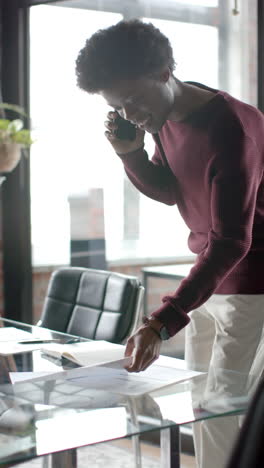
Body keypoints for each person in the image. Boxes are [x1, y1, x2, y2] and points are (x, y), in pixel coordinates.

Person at [76, 20, 264, 467]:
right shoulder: (161, 118)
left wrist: (162, 320)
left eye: (134, 100)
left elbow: (232, 240)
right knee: (203, 402)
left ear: (164, 72)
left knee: (225, 403)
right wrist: (130, 153)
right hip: (212, 276)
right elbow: (172, 189)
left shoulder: (233, 129)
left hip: (254, 282)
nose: (130, 115)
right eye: (118, 106)